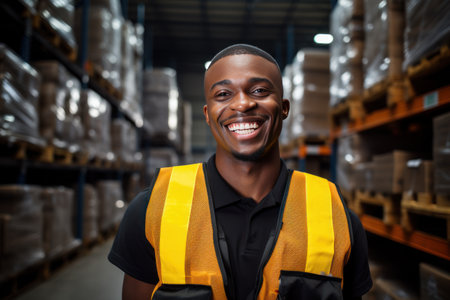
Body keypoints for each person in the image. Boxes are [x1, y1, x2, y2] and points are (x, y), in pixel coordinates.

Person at [108, 44, 372, 300]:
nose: (243, 104)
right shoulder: (153, 209)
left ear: (284, 107)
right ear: (208, 114)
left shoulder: (336, 217)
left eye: (258, 90)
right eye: (223, 94)